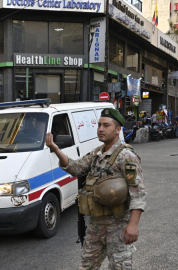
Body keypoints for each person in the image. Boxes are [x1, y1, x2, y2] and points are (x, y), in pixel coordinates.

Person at [45, 108, 146, 270]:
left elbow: (138, 193)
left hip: (118, 225)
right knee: (87, 266)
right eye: (99, 125)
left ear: (118, 129)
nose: (100, 129)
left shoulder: (126, 156)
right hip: (96, 225)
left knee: (120, 267)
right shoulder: (97, 153)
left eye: (106, 125)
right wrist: (56, 149)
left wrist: (133, 224)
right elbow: (76, 168)